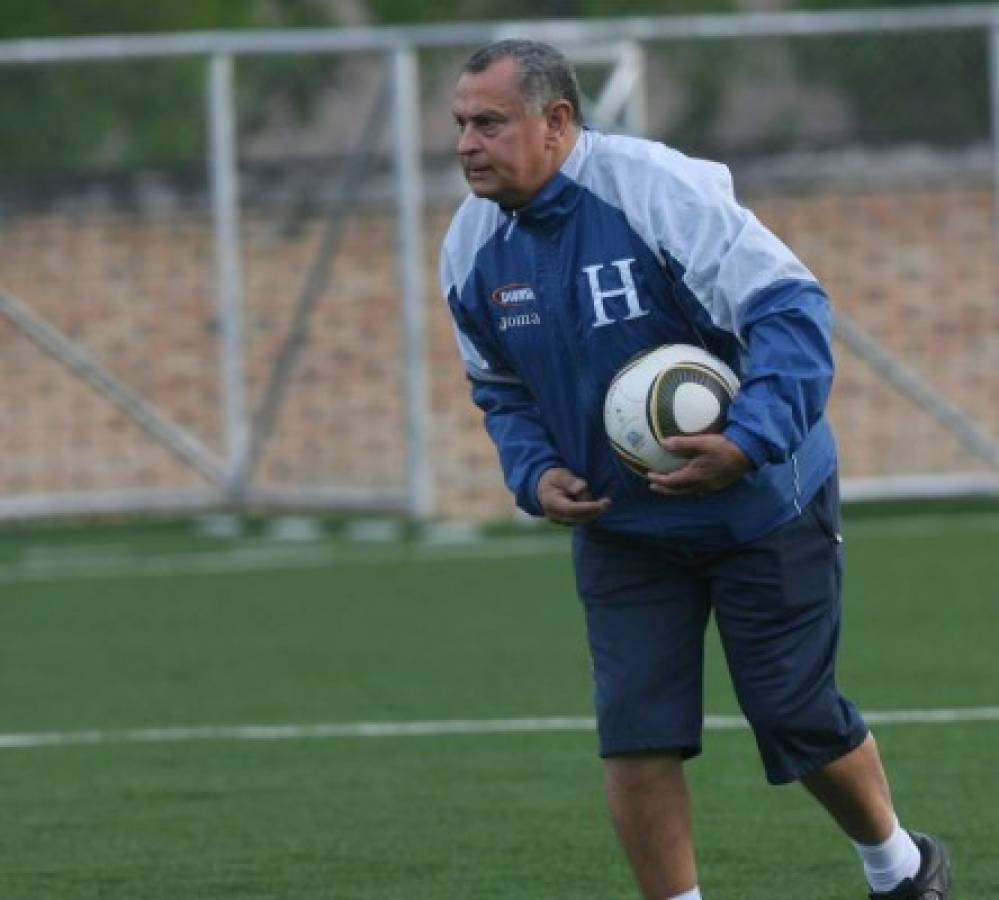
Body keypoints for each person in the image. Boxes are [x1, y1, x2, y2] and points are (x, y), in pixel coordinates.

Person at [439, 38, 951, 900]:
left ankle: (897, 867)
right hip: (623, 530)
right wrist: (532, 473)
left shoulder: (655, 190)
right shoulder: (469, 246)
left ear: (556, 123)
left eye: (488, 123)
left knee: (793, 716)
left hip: (761, 507)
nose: (465, 144)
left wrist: (747, 440)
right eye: (458, 125)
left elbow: (789, 309)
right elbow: (498, 387)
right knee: (634, 735)